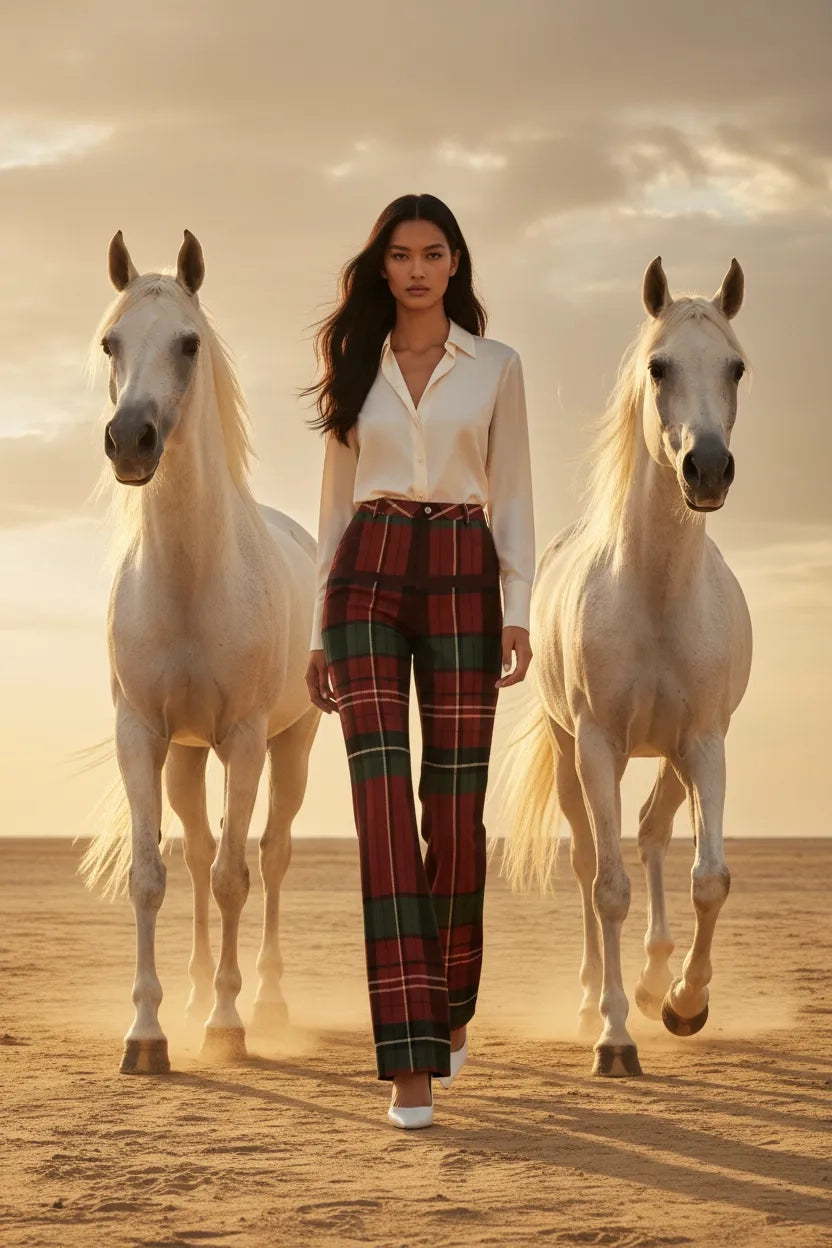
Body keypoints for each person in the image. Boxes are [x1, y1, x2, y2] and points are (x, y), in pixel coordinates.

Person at [304, 193, 535, 1129]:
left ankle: (450, 997)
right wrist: (320, 621)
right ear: (382, 267)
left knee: (454, 809)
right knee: (382, 811)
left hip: (461, 572)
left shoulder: (497, 368)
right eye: (400, 255)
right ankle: (411, 1064)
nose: (415, 270)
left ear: (455, 264)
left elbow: (514, 488)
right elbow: (331, 501)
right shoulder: (353, 364)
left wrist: (517, 609)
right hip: (366, 572)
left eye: (432, 254)